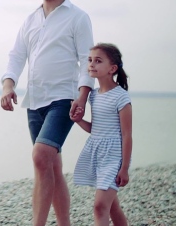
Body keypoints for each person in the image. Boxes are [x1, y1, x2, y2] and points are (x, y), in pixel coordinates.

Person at [0, 0, 94, 226]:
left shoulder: (78, 17)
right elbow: (17, 56)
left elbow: (87, 59)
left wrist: (83, 95)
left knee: (41, 156)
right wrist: (9, 84)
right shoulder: (30, 20)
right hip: (34, 101)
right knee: (50, 166)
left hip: (64, 99)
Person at [70, 43, 132, 226]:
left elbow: (127, 135)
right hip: (97, 155)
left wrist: (125, 168)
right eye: (90, 60)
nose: (91, 65)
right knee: (112, 207)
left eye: (98, 61)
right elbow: (95, 129)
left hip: (114, 156)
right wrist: (78, 120)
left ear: (112, 68)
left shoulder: (121, 97)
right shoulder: (93, 96)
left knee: (99, 207)